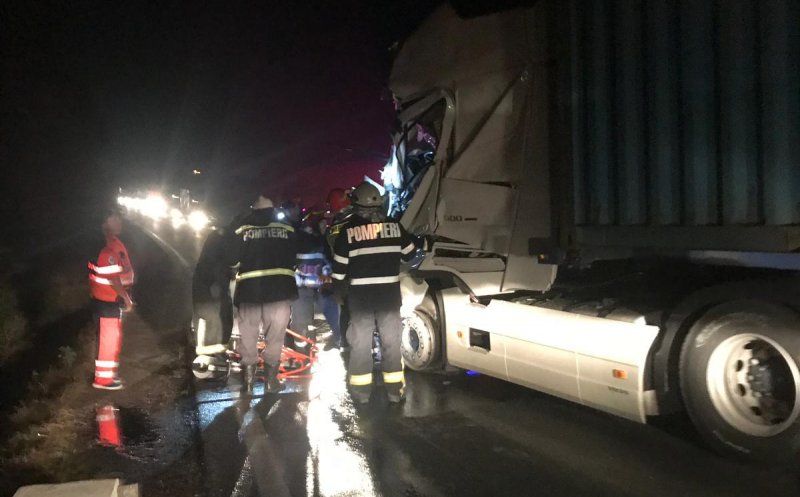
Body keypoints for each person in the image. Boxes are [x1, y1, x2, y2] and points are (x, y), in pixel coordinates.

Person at [331, 182, 416, 404]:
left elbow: (338, 272)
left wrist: (338, 292)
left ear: (356, 204)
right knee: (391, 342)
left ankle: (361, 394)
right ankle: (394, 391)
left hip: (360, 300)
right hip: (389, 297)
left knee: (360, 344)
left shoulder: (348, 232)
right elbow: (410, 255)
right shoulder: (395, 227)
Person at [232, 194, 299, 393]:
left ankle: (249, 382)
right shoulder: (286, 228)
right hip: (279, 292)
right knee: (275, 337)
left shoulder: (242, 228)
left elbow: (232, 259)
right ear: (272, 210)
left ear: (253, 209)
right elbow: (296, 253)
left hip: (249, 293)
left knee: (248, 335)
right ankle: (271, 382)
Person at [88, 207, 135, 390]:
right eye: (115, 219)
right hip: (106, 301)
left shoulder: (113, 243)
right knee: (108, 341)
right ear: (105, 223)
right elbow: (113, 278)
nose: (119, 222)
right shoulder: (106, 248)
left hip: (108, 300)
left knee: (111, 339)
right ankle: (103, 380)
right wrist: (126, 298)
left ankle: (107, 376)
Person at [290, 214, 342, 351]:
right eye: (322, 224)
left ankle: (336, 341)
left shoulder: (323, 239)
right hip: (304, 287)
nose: (325, 227)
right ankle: (302, 351)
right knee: (301, 321)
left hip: (318, 287)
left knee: (332, 314)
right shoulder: (305, 240)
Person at [191, 228, 235, 378]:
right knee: (212, 323)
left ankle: (217, 353)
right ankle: (211, 354)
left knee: (219, 321)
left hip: (214, 302)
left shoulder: (213, 262)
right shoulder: (212, 264)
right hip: (210, 303)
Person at [324, 188, 354, 350]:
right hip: (364, 271)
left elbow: (331, 253)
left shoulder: (333, 228)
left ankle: (346, 343)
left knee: (346, 311)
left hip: (344, 276)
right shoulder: (360, 220)